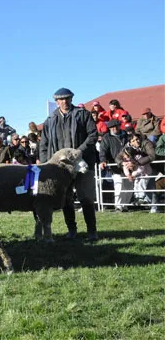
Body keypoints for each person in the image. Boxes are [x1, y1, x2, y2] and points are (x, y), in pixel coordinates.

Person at [40, 87, 98, 241]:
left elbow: (93, 135)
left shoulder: (83, 114)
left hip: (82, 163)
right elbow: (44, 144)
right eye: (61, 99)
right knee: (65, 199)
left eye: (67, 98)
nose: (64, 101)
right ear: (57, 101)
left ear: (71, 99)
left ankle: (92, 231)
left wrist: (78, 152)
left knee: (86, 198)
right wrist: (46, 164)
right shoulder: (50, 120)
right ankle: (72, 230)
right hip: (61, 168)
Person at [116, 133, 156, 209]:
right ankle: (139, 199)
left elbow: (152, 156)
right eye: (133, 140)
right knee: (137, 184)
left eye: (137, 139)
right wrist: (123, 163)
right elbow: (118, 157)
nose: (136, 142)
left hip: (150, 169)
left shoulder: (146, 143)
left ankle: (153, 207)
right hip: (139, 172)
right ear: (130, 142)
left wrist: (135, 163)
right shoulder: (127, 148)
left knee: (149, 186)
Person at [100, 119, 131, 212]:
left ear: (119, 126)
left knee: (129, 185)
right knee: (119, 184)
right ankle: (118, 205)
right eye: (111, 127)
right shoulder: (106, 138)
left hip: (128, 163)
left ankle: (125, 205)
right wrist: (103, 160)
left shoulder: (126, 135)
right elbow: (103, 151)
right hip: (114, 165)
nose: (114, 129)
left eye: (116, 126)